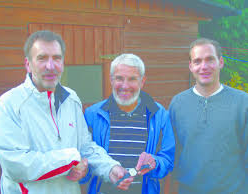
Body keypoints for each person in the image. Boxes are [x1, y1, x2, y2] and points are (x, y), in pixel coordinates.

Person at [0, 30, 130, 194]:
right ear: (28, 64)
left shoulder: (71, 99)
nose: (50, 66)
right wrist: (71, 160)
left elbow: (84, 147)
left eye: (56, 58)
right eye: (42, 58)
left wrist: (109, 168)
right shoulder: (9, 103)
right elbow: (15, 165)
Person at [83, 54, 175, 193]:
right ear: (111, 80)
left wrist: (155, 162)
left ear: (142, 81)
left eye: (132, 79)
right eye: (119, 78)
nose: (125, 86)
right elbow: (86, 158)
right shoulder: (92, 115)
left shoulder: (159, 115)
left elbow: (168, 159)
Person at [169, 38, 248, 194]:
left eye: (210, 59)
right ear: (191, 66)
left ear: (221, 62)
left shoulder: (242, 103)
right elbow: (173, 153)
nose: (204, 67)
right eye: (197, 61)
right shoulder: (178, 103)